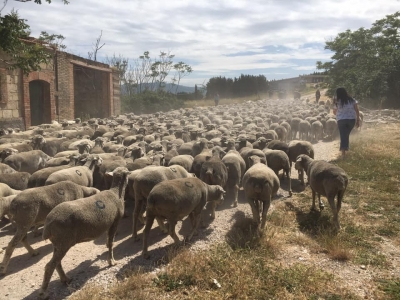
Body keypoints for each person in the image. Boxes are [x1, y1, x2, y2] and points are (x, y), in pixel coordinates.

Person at [332, 87, 360, 158]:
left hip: (341, 120)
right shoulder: (352, 100)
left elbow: (334, 112)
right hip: (351, 120)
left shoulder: (337, 101)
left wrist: (339, 113)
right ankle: (346, 148)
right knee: (346, 134)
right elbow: (357, 110)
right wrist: (358, 120)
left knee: (343, 135)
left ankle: (343, 153)